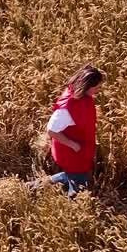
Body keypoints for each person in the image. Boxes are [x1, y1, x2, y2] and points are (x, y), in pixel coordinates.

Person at [38, 65, 104, 197]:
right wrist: (73, 145)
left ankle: (34, 186)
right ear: (86, 86)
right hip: (72, 153)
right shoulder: (68, 106)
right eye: (96, 87)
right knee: (79, 189)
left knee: (73, 176)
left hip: (80, 149)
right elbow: (51, 130)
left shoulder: (82, 97)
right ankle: (73, 209)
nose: (98, 89)